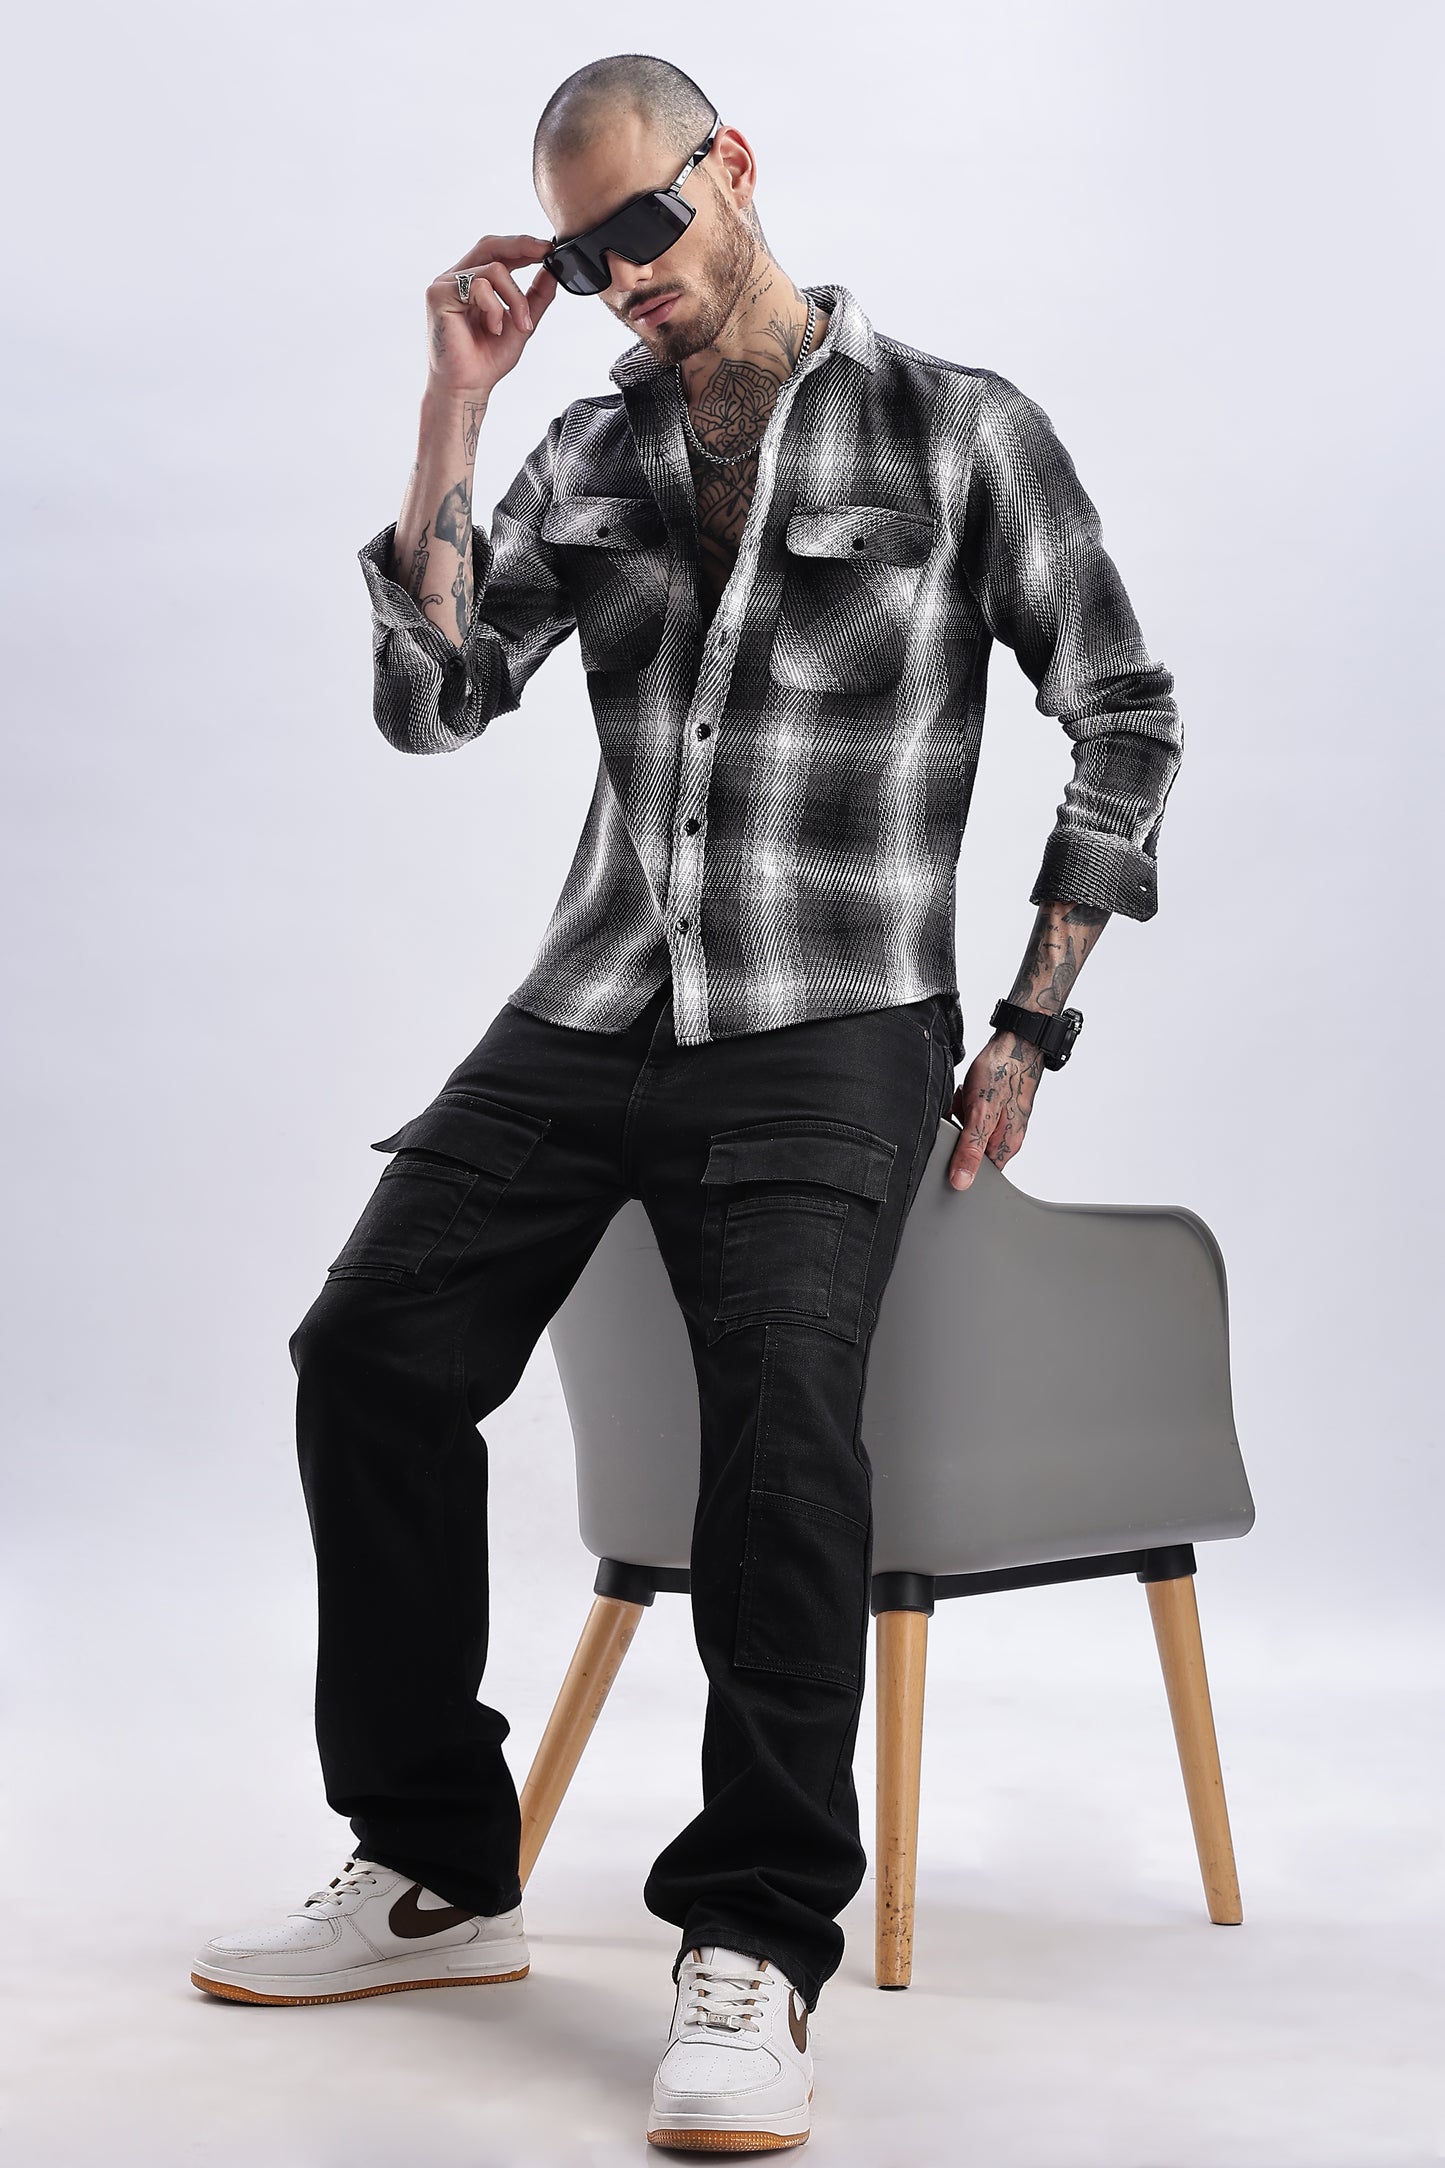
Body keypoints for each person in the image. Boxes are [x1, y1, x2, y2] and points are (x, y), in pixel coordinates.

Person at [189, 50, 1183, 2155]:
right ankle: (432, 1870)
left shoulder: (959, 428)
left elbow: (1121, 709)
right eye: (579, 255)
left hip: (833, 1014)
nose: (620, 275)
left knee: (781, 1440)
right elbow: (433, 706)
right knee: (366, 1358)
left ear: (732, 169)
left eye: (643, 225)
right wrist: (453, 410)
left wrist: (1029, 1023)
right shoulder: (587, 447)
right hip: (594, 996)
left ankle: (752, 1946)